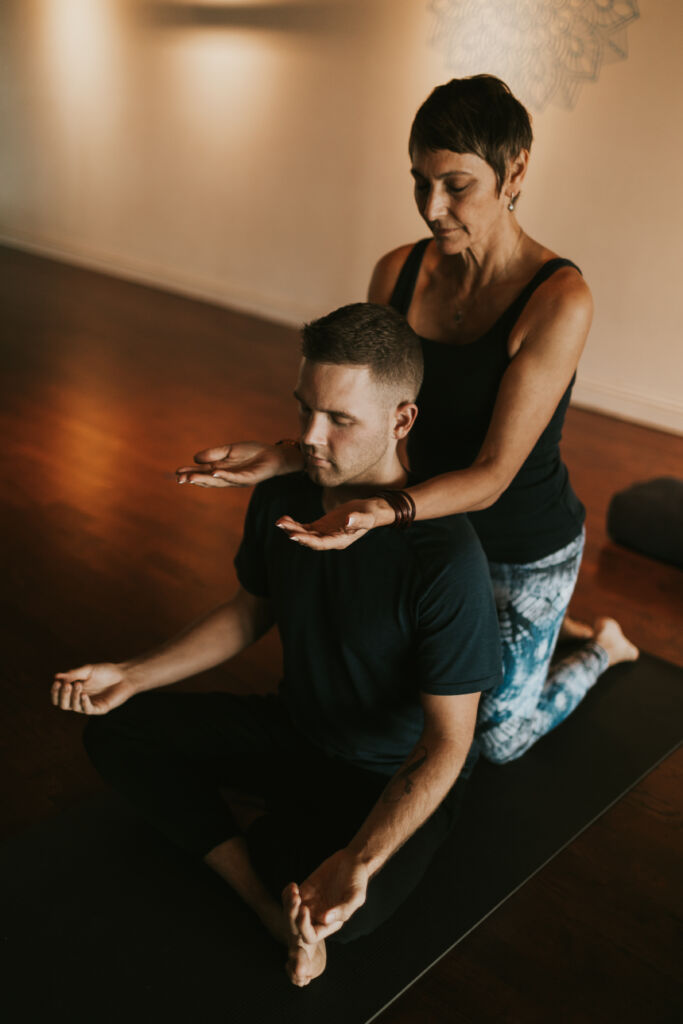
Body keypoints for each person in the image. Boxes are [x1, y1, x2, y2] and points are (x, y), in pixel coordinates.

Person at [177, 75, 638, 765]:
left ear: (514, 170)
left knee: (493, 740)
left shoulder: (558, 299)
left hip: (514, 538)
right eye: (419, 181)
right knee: (395, 698)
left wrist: (377, 514)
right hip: (424, 527)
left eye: (456, 185)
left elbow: (489, 477)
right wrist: (284, 454)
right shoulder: (396, 272)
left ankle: (598, 643)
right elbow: (370, 415)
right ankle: (547, 625)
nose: (431, 207)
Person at [52, 303, 502, 987]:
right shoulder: (285, 495)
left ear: (400, 420)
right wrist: (133, 674)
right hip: (297, 731)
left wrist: (360, 859)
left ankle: (286, 861)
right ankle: (264, 902)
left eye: (339, 420)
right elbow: (248, 612)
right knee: (119, 731)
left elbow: (446, 744)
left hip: (384, 774)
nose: (310, 437)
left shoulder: (445, 560)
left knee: (351, 914)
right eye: (305, 411)